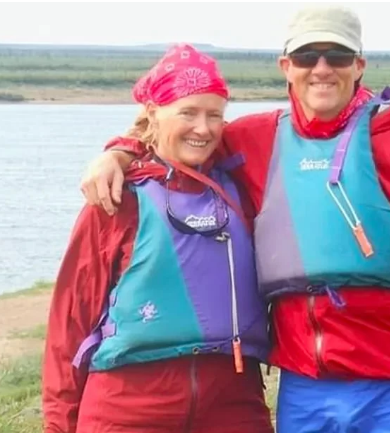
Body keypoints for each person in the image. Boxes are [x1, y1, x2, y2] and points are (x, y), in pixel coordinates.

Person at [80, 6, 390, 433]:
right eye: (306, 57)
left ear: (358, 65)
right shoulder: (256, 140)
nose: (321, 69)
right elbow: (181, 140)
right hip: (304, 384)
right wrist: (120, 151)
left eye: (336, 56)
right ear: (285, 67)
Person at [42, 43, 273, 433]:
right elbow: (70, 322)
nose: (203, 128)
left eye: (215, 115)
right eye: (188, 112)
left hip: (232, 400)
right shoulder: (116, 199)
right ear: (153, 113)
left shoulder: (241, 185)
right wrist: (58, 424)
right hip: (127, 405)